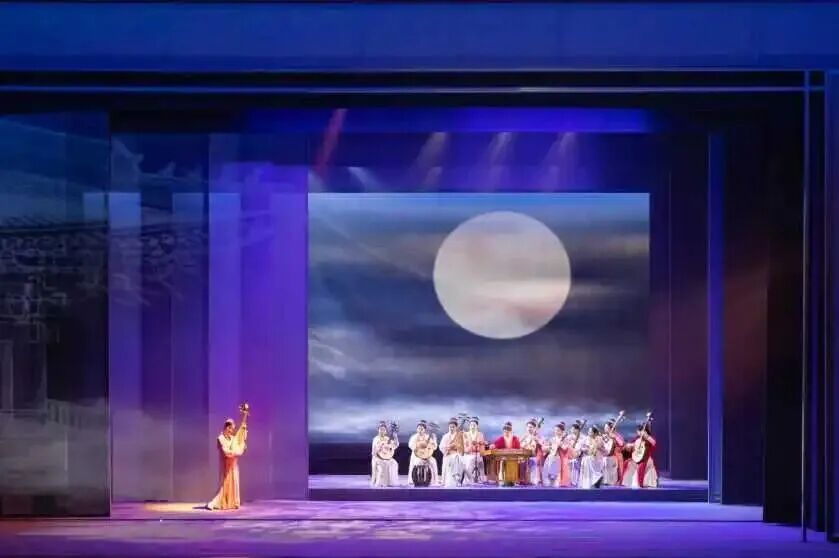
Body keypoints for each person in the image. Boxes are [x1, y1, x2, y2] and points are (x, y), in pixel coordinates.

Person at [207, 418, 246, 510]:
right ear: (227, 427)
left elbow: (238, 444)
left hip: (233, 464)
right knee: (224, 484)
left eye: (233, 429)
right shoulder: (220, 438)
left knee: (234, 482)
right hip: (225, 464)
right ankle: (217, 502)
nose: (232, 431)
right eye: (231, 429)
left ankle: (232, 502)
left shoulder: (232, 438)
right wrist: (237, 452)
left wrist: (241, 447)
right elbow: (226, 452)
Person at [622, 423, 659, 488]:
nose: (638, 433)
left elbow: (654, 443)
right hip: (637, 458)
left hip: (646, 459)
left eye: (639, 431)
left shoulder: (649, 438)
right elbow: (633, 445)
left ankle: (642, 483)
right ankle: (629, 481)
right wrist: (629, 446)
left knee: (643, 465)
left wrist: (647, 436)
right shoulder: (637, 438)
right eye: (638, 431)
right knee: (628, 463)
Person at [408, 420, 439, 486]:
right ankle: (416, 479)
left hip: (427, 456)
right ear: (416, 429)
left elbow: (434, 447)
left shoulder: (428, 437)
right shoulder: (414, 437)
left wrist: (434, 440)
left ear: (425, 430)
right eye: (419, 428)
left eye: (422, 429)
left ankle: (435, 481)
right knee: (418, 462)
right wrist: (419, 445)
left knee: (433, 461)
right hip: (417, 456)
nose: (420, 430)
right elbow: (411, 446)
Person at [371, 421, 399, 487]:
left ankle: (391, 482)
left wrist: (395, 437)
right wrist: (380, 447)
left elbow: (395, 446)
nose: (382, 431)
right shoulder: (376, 439)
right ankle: (382, 483)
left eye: (384, 430)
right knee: (384, 464)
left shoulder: (387, 438)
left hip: (386, 456)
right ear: (378, 430)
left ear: (386, 431)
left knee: (394, 463)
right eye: (381, 429)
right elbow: (374, 451)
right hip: (377, 457)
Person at [543, 422, 572, 487]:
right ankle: (550, 483)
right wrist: (549, 447)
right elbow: (545, 448)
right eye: (555, 430)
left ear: (562, 431)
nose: (556, 432)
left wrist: (560, 444)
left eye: (558, 430)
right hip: (553, 457)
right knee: (550, 470)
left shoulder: (565, 439)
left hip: (562, 457)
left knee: (561, 471)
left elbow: (565, 448)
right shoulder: (552, 439)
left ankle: (559, 483)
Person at [439, 418, 465, 487]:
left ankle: (457, 476)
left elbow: (462, 447)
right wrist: (448, 447)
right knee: (455, 457)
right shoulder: (445, 436)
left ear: (456, 427)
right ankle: (456, 476)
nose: (451, 428)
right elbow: (441, 447)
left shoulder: (459, 436)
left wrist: (457, 447)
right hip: (448, 454)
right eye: (450, 427)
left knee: (457, 457)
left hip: (457, 454)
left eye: (453, 427)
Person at [520, 418, 545, 485]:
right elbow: (519, 444)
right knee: (520, 462)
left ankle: (530, 480)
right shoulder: (524, 436)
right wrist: (523, 445)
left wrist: (537, 441)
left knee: (531, 462)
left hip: (533, 456)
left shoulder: (537, 436)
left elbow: (542, 446)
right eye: (528, 427)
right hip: (524, 455)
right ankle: (522, 479)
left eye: (531, 427)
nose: (529, 429)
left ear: (534, 428)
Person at [462, 417, 487, 485]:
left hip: (477, 453)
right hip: (468, 453)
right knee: (471, 460)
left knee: (480, 462)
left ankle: (481, 478)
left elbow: (482, 445)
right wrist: (470, 447)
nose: (472, 427)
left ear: (477, 426)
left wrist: (480, 449)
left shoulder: (480, 434)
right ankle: (468, 480)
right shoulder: (465, 434)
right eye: (471, 425)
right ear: (469, 426)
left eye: (474, 425)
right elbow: (464, 445)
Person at [602, 419, 626, 486]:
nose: (605, 429)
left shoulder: (616, 435)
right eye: (604, 427)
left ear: (611, 428)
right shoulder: (605, 436)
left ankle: (618, 483)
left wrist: (615, 437)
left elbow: (622, 444)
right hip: (607, 456)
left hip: (617, 455)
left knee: (618, 471)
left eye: (606, 428)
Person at [567, 420, 584, 487]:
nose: (572, 430)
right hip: (571, 455)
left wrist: (578, 452)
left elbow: (582, 446)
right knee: (570, 469)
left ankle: (577, 482)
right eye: (571, 429)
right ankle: (571, 482)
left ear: (577, 430)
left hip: (578, 456)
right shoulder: (569, 437)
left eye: (573, 429)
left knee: (577, 469)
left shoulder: (582, 437)